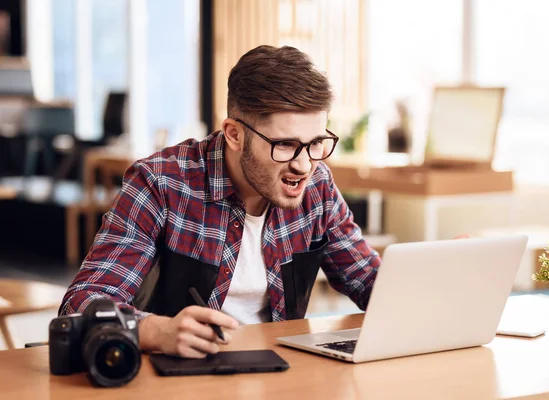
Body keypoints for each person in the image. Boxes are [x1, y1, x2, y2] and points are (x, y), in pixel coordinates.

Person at [59, 45, 382, 358]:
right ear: (234, 134)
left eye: (315, 143)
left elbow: (371, 282)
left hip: (281, 376)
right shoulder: (161, 183)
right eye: (285, 145)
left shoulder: (317, 186)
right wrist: (158, 332)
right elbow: (83, 302)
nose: (304, 165)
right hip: (176, 379)